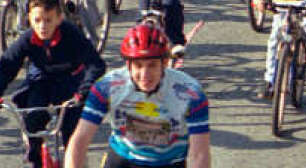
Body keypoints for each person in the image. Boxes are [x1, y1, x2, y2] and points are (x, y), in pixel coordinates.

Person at [0, 0, 106, 168]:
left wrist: (84, 91)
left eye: (48, 20)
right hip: (41, 81)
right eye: (37, 21)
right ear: (29, 20)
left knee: (72, 133)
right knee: (32, 121)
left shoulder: (71, 34)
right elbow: (7, 65)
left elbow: (96, 64)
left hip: (70, 82)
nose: (42, 27)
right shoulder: (27, 39)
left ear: (59, 18)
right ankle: (36, 159)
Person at [65, 24, 210, 168]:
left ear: (165, 63)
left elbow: (199, 154)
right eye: (138, 65)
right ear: (128, 65)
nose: (145, 74)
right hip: (123, 160)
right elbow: (80, 140)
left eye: (152, 65)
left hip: (169, 162)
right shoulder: (107, 87)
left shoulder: (191, 94)